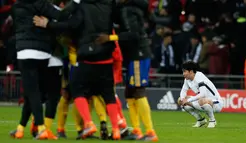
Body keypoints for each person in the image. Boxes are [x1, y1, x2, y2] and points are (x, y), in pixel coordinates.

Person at [33, 0, 121, 140]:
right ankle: (116, 130)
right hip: (106, 57)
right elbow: (118, 21)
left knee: (77, 90)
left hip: (87, 57)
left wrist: (48, 24)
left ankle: (88, 123)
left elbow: (70, 25)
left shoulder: (82, 5)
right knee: (108, 95)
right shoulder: (109, 4)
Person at [9, 0, 79, 139]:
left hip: (23, 51)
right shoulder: (40, 4)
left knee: (32, 92)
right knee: (35, 93)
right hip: (42, 52)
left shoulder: (16, 7)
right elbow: (61, 15)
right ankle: (28, 128)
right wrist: (75, 3)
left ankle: (35, 128)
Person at [95, 0, 158, 141]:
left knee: (138, 90)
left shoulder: (128, 10)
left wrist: (110, 38)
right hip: (133, 55)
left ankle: (150, 132)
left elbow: (134, 35)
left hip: (138, 55)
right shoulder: (130, 8)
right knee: (129, 92)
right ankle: (136, 129)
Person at [178, 61, 223, 128]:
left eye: (185, 71)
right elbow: (183, 91)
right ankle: (201, 120)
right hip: (202, 102)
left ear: (191, 71)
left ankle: (212, 121)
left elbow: (203, 94)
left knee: (201, 100)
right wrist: (182, 99)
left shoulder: (199, 76)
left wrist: (188, 100)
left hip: (216, 103)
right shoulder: (187, 79)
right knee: (180, 100)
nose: (183, 74)